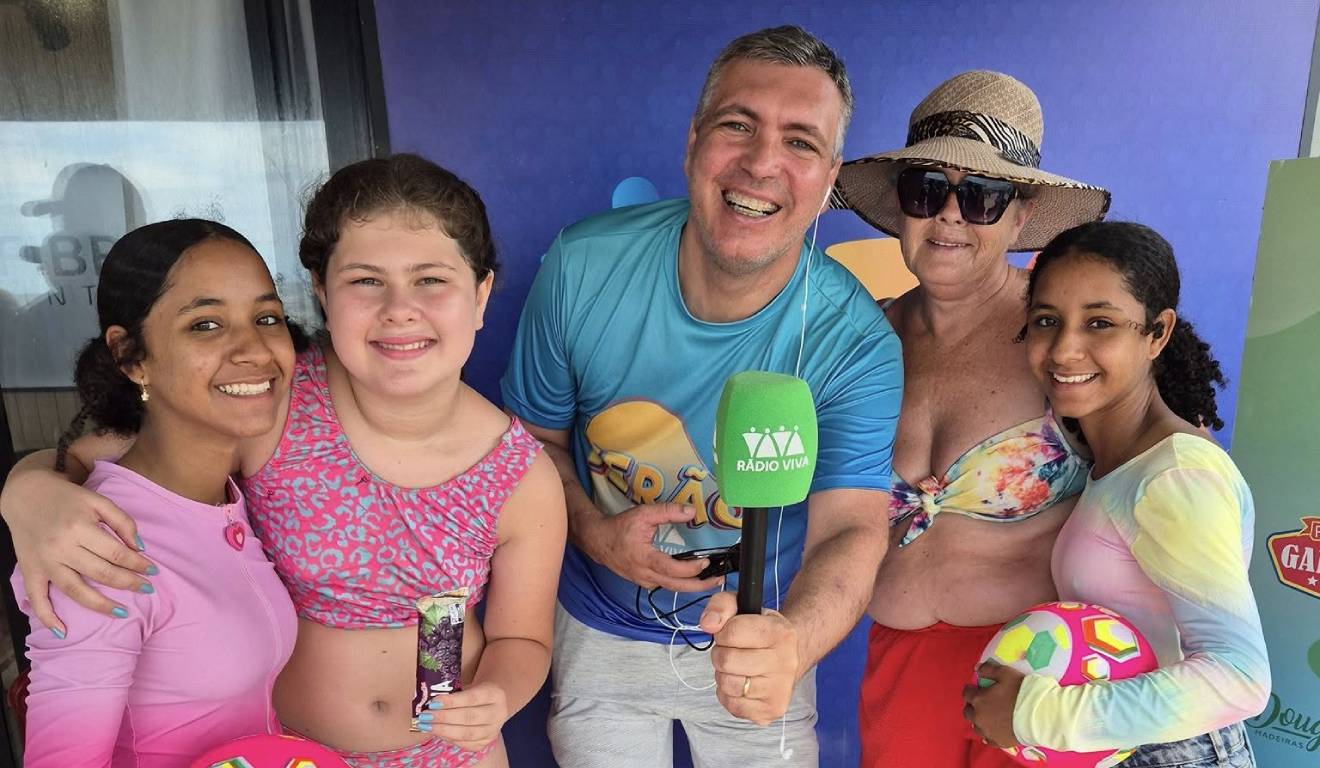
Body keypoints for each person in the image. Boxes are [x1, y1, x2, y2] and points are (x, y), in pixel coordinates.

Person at [1, 154, 567, 767]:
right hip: (285, 752)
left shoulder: (520, 474)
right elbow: (104, 460)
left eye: (431, 279)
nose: (400, 309)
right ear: (322, 293)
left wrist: (496, 696)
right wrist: (26, 490)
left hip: (452, 758)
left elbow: (521, 638)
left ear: (480, 295)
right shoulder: (273, 402)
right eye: (366, 281)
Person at [500, 25, 902, 767]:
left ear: (830, 178)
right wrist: (596, 533)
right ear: (693, 142)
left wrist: (791, 643)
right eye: (737, 126)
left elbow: (852, 527)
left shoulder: (856, 340)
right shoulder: (583, 266)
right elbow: (528, 445)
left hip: (761, 638)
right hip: (598, 629)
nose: (762, 163)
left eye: (800, 142)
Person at [830, 70, 1111, 768]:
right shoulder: (859, 341)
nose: (950, 215)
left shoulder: (1067, 336)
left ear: (1021, 215)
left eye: (982, 195)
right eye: (927, 189)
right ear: (901, 208)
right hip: (898, 674)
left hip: (1037, 679)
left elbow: (1173, 484)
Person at [964, 220, 1270, 766]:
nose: (1064, 349)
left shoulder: (1175, 476)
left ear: (1157, 333)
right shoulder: (1117, 463)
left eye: (1100, 323)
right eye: (1046, 320)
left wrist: (1034, 715)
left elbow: (1240, 678)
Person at [11, 219, 299, 764]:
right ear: (131, 356)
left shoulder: (221, 492)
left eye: (267, 318)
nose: (255, 349)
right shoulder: (99, 549)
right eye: (206, 324)